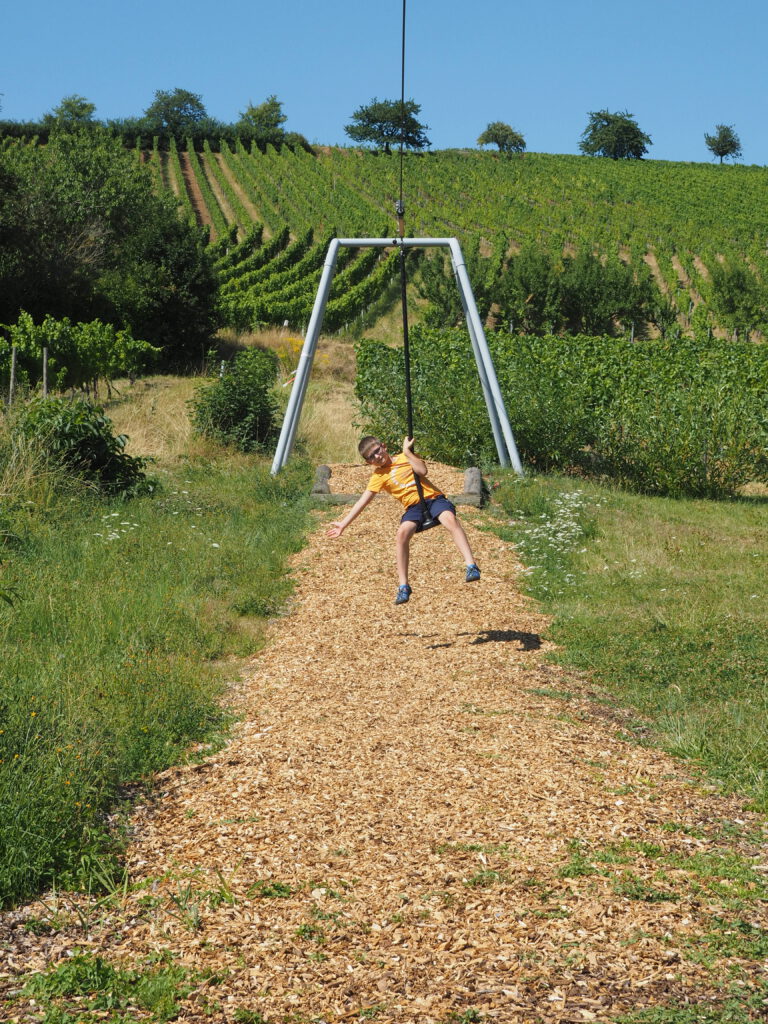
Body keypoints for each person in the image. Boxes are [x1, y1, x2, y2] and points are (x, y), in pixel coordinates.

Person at [327, 435, 481, 605]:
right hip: (413, 508)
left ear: (383, 446)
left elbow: (422, 471)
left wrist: (407, 451)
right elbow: (363, 501)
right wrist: (343, 524)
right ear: (368, 462)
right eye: (371, 457)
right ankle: (403, 586)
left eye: (377, 451)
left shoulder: (404, 457)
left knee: (450, 519)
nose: (377, 457)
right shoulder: (378, 477)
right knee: (401, 535)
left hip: (433, 499)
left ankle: (471, 565)